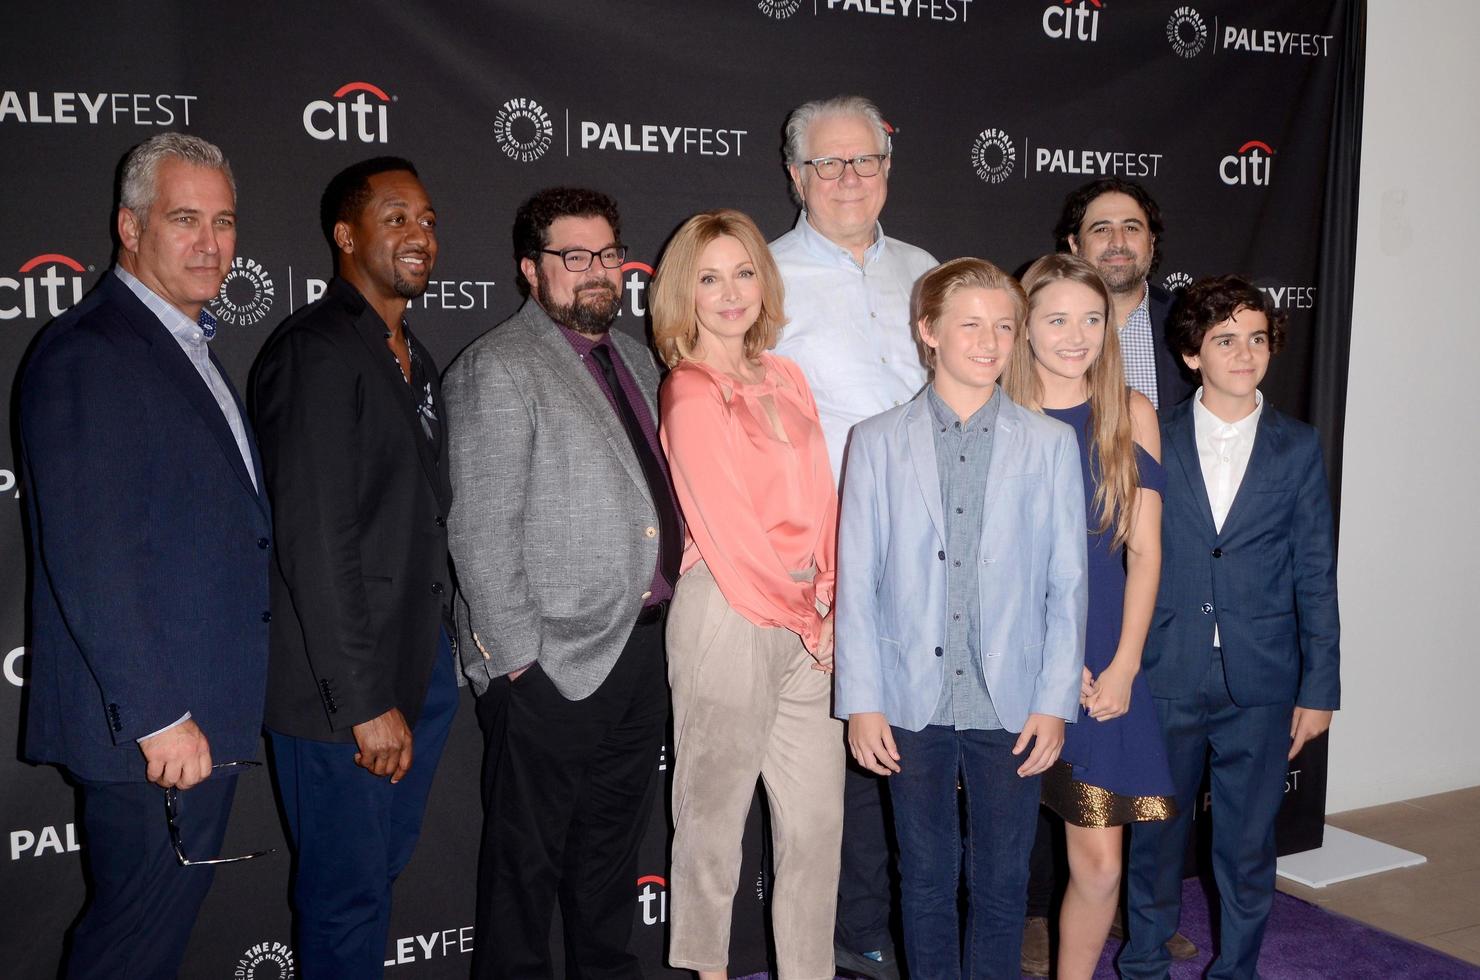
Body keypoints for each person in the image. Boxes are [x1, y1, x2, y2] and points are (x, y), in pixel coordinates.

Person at [17, 132, 271, 978]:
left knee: (147, 947)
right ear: (130, 227)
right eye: (185, 219)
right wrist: (160, 716)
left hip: (194, 715)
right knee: (129, 952)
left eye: (224, 221)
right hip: (155, 729)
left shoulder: (183, 344)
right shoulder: (92, 351)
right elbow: (92, 555)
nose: (210, 243)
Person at [444, 186, 679, 979]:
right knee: (524, 873)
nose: (595, 272)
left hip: (643, 654)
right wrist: (517, 665)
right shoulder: (498, 367)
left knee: (611, 861)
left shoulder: (640, 360)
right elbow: (479, 530)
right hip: (548, 663)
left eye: (608, 255)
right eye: (573, 257)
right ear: (530, 270)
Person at [834, 257, 1088, 979]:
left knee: (1006, 883)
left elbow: (1067, 584)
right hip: (910, 697)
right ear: (928, 332)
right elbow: (859, 582)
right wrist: (863, 701)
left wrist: (1053, 700)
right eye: (970, 324)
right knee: (924, 879)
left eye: (1004, 327)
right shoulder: (877, 441)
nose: (989, 341)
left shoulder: (1047, 444)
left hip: (1010, 700)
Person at [249, 156, 457, 976]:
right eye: (397, 217)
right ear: (345, 235)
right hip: (343, 692)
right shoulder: (316, 352)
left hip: (416, 671)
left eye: (430, 219)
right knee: (345, 899)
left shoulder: (414, 355)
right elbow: (314, 537)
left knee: (374, 883)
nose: (420, 235)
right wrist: (365, 701)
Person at [1122, 275, 1341, 980]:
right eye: (1224, 339)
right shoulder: (1152, 434)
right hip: (1167, 669)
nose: (1244, 353)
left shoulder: (1298, 446)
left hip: (1264, 680)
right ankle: (1146, 965)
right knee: (1155, 837)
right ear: (1192, 353)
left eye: (1256, 338)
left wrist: (1321, 686)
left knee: (1248, 848)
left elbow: (1315, 571)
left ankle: (1238, 970)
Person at [770, 94, 937, 979]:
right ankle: (853, 934)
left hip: (932, 553)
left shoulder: (929, 271)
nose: (847, 178)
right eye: (827, 164)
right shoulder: (758, 275)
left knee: (914, 744)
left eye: (864, 160)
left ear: (887, 168)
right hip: (823, 558)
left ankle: (907, 927)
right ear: (795, 175)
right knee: (832, 759)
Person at [654, 209, 844, 980]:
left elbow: (824, 496)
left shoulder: (787, 374)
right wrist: (807, 616)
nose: (730, 293)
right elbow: (727, 530)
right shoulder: (689, 389)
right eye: (709, 277)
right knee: (713, 817)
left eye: (742, 273)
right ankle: (710, 973)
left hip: (810, 623)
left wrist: (830, 598)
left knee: (817, 823)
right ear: (683, 293)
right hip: (728, 616)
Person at [1027, 177, 1197, 973]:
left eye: (1093, 319)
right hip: (1009, 656)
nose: (1077, 334)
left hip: (1104, 661)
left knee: (1100, 862)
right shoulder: (994, 411)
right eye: (1059, 318)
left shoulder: (1131, 412)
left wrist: (1126, 665)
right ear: (1025, 326)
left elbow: (1147, 551)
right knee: (986, 858)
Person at [1054, 177, 1195, 418]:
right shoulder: (1042, 325)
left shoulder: (1190, 322)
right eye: (1102, 229)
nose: (1118, 242)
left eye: (1131, 228)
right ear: (1075, 245)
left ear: (1151, 241)